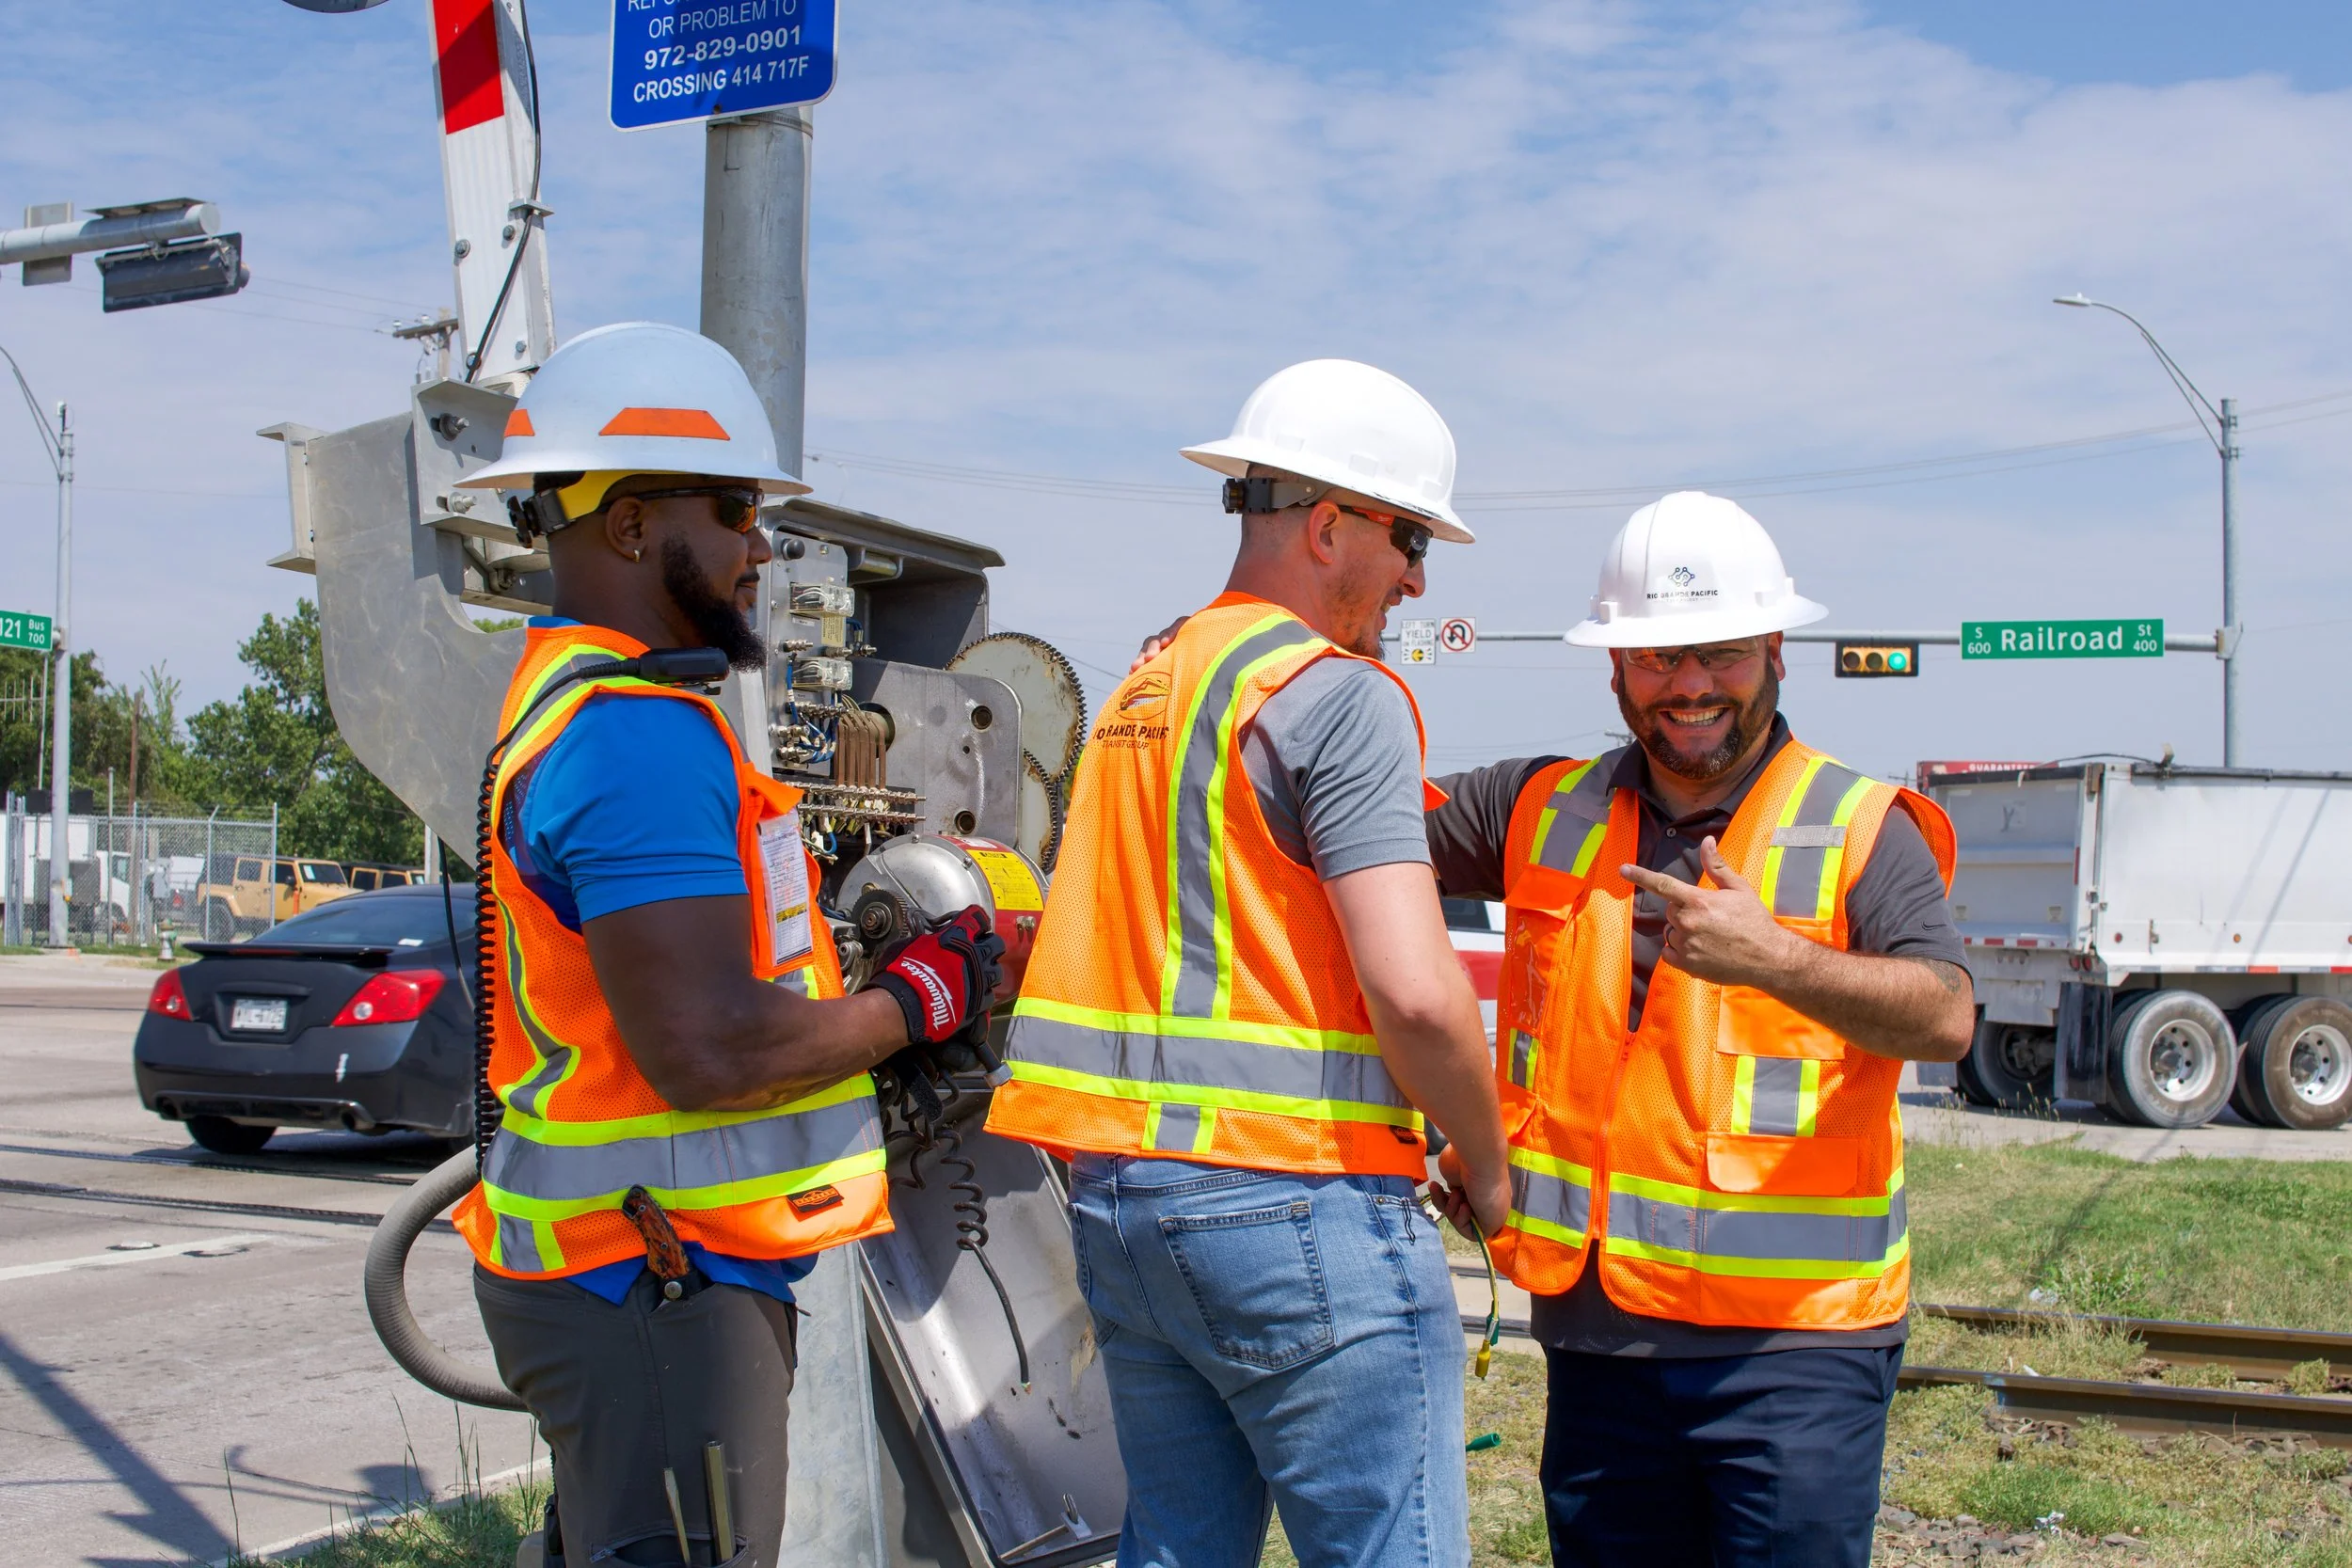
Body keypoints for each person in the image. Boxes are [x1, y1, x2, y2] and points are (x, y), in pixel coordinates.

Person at [448, 321, 1003, 1568]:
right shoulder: (637, 736)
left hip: (619, 1265)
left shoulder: (569, 704)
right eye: (741, 508)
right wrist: (920, 994)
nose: (763, 546)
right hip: (653, 1280)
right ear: (633, 525)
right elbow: (706, 1044)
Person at [987, 359, 1512, 1568]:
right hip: (1294, 1198)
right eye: (1410, 537)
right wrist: (1483, 1165)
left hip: (1127, 1207)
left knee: (1175, 1549)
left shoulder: (1146, 683)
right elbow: (1420, 991)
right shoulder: (1336, 695)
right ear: (1328, 525)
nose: (1418, 578)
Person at [1421, 490, 1977, 1568]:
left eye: (1716, 654)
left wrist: (1775, 957)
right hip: (1599, 1336)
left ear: (1773, 653)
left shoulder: (1858, 825)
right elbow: (1349, 817)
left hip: (1794, 1349)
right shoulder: (1539, 804)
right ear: (1615, 669)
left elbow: (1946, 1014)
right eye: (1654, 658)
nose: (1687, 686)